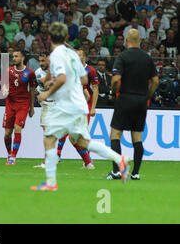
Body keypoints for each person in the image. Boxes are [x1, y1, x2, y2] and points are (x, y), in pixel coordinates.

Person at [32, 22, 131, 191]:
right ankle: (119, 159)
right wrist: (51, 79)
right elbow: (84, 80)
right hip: (79, 104)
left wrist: (47, 93)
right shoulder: (72, 55)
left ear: (49, 38)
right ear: (66, 37)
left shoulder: (56, 54)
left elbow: (62, 78)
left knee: (49, 138)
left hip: (67, 105)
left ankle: (50, 183)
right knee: (83, 142)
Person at [107, 29, 159, 180]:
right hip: (141, 100)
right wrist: (147, 96)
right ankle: (135, 173)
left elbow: (116, 80)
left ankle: (117, 171)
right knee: (137, 137)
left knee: (115, 134)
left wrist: (113, 93)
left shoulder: (122, 57)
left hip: (125, 98)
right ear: (140, 40)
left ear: (126, 40)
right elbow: (155, 81)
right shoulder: (147, 58)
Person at [56, 49, 98, 169]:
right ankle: (87, 162)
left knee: (77, 136)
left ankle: (88, 162)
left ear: (84, 57)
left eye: (79, 56)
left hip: (85, 106)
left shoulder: (90, 70)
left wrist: (93, 108)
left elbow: (93, 91)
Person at [1, 49, 36, 165]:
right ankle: (9, 154)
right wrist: (4, 90)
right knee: (7, 133)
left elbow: (32, 90)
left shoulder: (30, 73)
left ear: (22, 58)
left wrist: (32, 107)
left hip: (23, 104)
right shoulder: (8, 71)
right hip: (10, 104)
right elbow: (4, 85)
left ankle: (13, 157)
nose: (14, 58)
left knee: (17, 127)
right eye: (13, 56)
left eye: (16, 56)